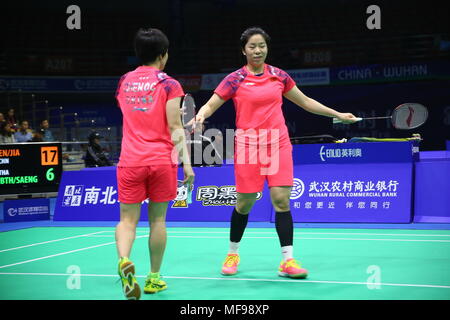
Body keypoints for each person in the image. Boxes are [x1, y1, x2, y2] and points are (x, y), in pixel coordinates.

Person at [195, 27, 357, 279]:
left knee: (281, 200)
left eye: (261, 46)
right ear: (243, 50)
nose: (257, 50)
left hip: (277, 143)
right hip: (248, 145)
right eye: (252, 46)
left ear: (267, 48)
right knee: (244, 203)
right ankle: (232, 252)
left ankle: (288, 260)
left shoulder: (279, 76)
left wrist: (336, 114)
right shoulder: (235, 79)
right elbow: (212, 103)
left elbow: (305, 102)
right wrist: (201, 115)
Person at [114, 27, 194, 300]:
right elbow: (175, 125)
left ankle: (124, 260)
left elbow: (130, 113)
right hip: (161, 160)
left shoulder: (124, 81)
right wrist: (187, 164)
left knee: (127, 220)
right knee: (158, 220)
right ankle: (154, 278)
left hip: (130, 159)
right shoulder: (170, 84)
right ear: (163, 55)